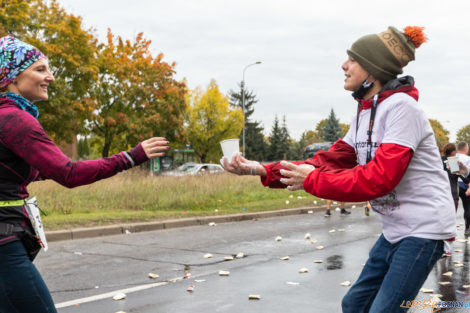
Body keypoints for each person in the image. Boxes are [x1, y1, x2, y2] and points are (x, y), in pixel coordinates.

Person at [224, 26, 456, 312]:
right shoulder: (365, 112)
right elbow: (329, 160)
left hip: (424, 228)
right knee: (354, 304)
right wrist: (262, 170)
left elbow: (378, 179)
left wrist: (313, 180)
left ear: (372, 69)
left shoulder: (402, 109)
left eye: (352, 59)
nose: (344, 65)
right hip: (396, 229)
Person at [0, 36, 170, 313]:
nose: (50, 77)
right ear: (13, 76)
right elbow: (70, 174)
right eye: (40, 69)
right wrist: (131, 157)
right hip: (5, 246)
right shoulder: (15, 119)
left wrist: (41, 172)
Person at [456, 141, 470, 236]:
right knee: (468, 207)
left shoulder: (453, 159)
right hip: (467, 183)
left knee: (460, 207)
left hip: (457, 185)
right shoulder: (468, 159)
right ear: (465, 149)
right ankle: (467, 228)